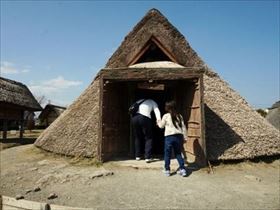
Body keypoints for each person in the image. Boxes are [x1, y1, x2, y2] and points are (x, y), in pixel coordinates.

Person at [157, 100, 187, 177]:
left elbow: (161, 126)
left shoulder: (166, 116)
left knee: (167, 154)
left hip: (169, 137)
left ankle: (167, 170)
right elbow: (183, 127)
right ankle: (182, 169)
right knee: (178, 153)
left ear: (167, 108)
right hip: (179, 137)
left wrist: (158, 121)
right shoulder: (179, 116)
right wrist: (185, 137)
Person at [131, 99, 161, 163]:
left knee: (137, 137)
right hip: (145, 118)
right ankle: (147, 157)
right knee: (148, 137)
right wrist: (158, 121)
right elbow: (157, 111)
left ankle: (137, 156)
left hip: (135, 118)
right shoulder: (153, 102)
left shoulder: (139, 101)